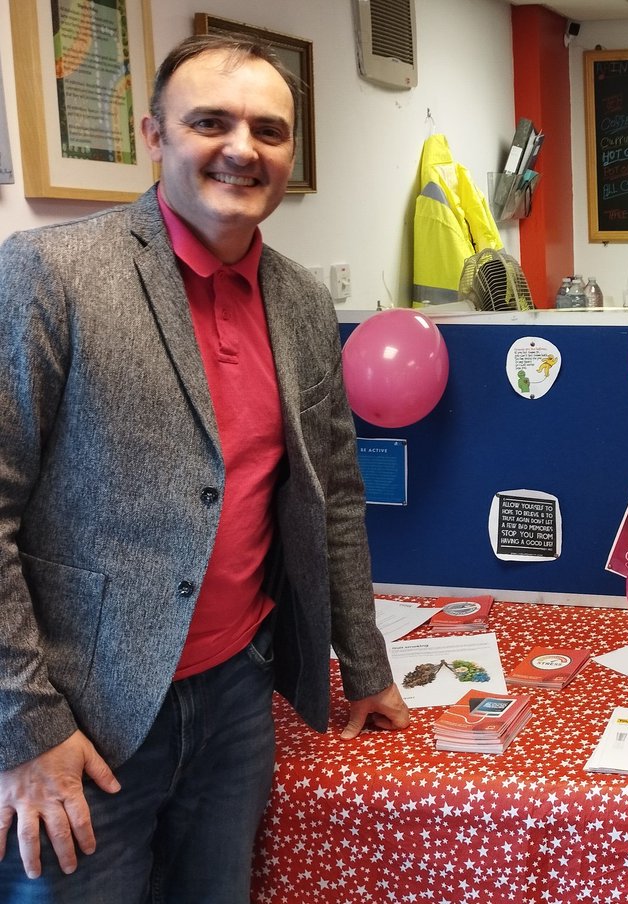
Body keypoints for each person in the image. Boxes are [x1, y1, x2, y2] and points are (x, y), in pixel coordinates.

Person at [0, 34, 409, 902]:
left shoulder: (298, 299)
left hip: (235, 700)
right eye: (210, 122)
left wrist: (365, 667)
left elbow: (332, 497)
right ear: (154, 135)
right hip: (83, 718)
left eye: (269, 130)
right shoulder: (49, 274)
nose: (241, 148)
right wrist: (24, 728)